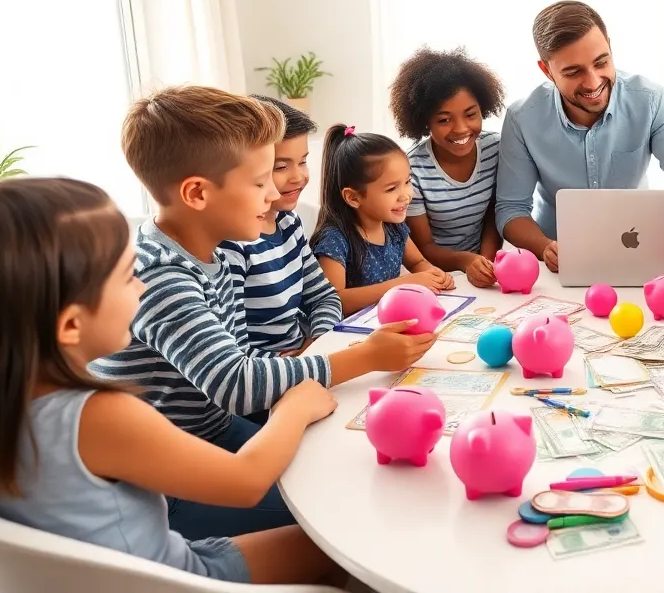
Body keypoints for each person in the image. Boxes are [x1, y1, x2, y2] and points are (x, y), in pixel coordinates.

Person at [91, 86, 436, 540]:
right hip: (163, 490)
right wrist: (363, 357)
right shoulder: (162, 276)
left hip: (210, 433)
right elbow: (236, 383)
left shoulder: (210, 251)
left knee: (347, 476)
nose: (276, 193)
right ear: (197, 193)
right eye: (260, 182)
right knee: (340, 516)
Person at [0, 177, 345, 585]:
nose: (141, 286)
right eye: (125, 276)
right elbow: (245, 481)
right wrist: (295, 408)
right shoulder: (97, 416)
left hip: (124, 569)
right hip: (169, 577)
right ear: (71, 324)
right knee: (342, 541)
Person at [495, 0, 664, 272]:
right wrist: (545, 247)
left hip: (636, 250)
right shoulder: (523, 118)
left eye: (601, 62)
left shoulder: (650, 101)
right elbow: (512, 208)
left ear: (610, 48)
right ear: (547, 70)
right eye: (574, 72)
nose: (593, 82)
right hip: (558, 263)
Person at [219, 96, 341, 357]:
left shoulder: (288, 222)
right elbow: (234, 354)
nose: (298, 177)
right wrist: (297, 363)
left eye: (304, 161)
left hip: (305, 357)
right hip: (268, 374)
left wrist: (318, 343)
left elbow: (324, 297)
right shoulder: (231, 244)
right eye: (281, 166)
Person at [390, 47, 505, 288]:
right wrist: (467, 261)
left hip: (482, 268)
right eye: (444, 120)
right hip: (436, 275)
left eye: (470, 114)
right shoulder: (413, 169)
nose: (461, 128)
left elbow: (494, 213)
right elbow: (425, 247)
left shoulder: (496, 148)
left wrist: (484, 261)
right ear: (424, 121)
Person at [312, 124, 455, 314]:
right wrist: (403, 284)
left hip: (385, 320)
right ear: (353, 197)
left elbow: (416, 262)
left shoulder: (393, 227)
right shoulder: (334, 240)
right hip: (349, 335)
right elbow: (335, 300)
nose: (405, 195)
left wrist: (432, 274)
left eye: (407, 181)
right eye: (391, 189)